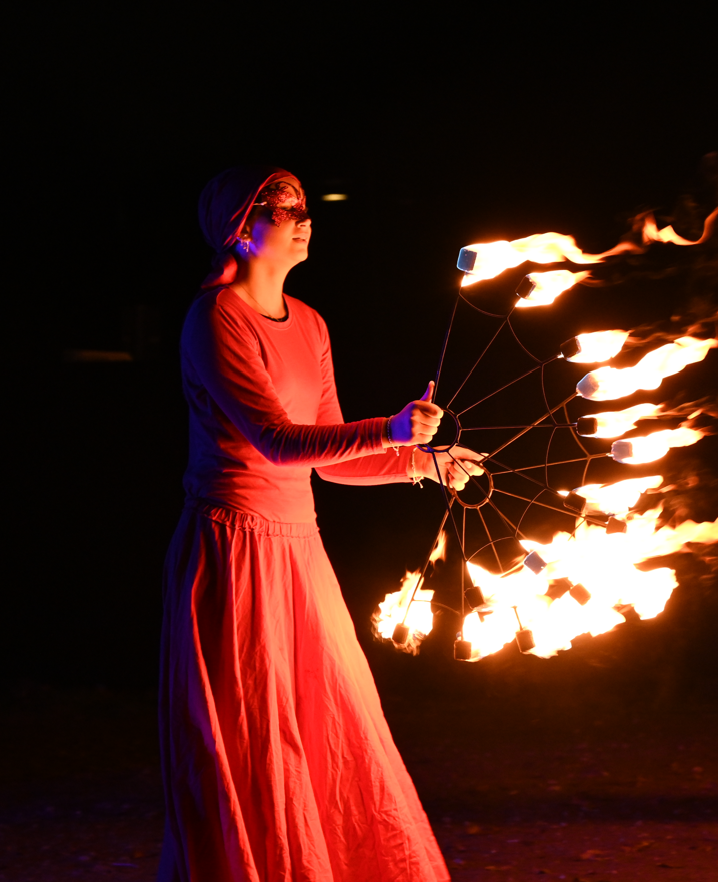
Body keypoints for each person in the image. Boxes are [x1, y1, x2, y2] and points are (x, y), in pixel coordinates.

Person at [160, 166, 480, 881]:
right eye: (285, 207)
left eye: (306, 206)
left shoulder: (310, 323)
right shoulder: (214, 318)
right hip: (233, 551)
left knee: (333, 724)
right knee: (251, 742)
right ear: (242, 227)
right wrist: (392, 430)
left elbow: (330, 456)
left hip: (299, 552)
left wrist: (419, 463)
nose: (304, 218)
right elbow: (276, 440)